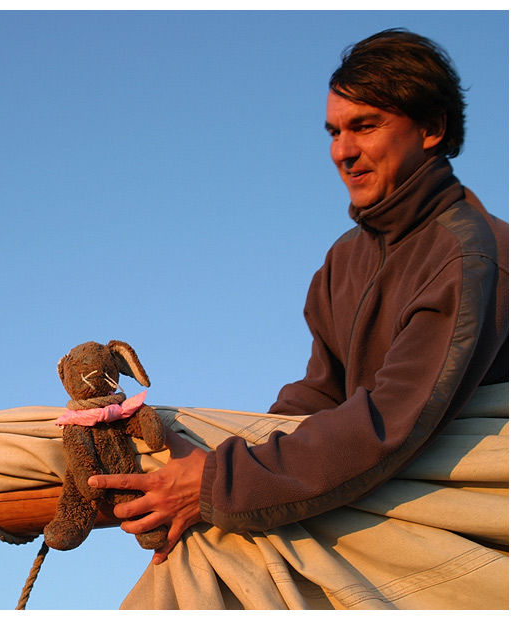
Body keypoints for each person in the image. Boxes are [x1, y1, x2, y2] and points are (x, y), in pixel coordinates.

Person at [88, 28, 509, 566]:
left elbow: (388, 424)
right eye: (334, 131)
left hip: (452, 534)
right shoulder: (344, 259)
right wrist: (222, 459)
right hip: (359, 488)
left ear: (431, 128)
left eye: (365, 126)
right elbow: (315, 400)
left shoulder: (466, 257)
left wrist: (217, 484)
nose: (343, 151)